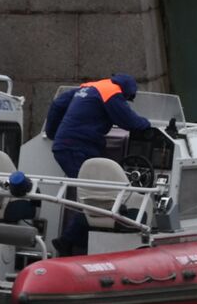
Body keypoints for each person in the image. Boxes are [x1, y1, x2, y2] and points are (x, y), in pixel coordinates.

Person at [43, 75, 151, 256]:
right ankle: (67, 241)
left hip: (69, 147)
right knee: (94, 198)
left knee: (93, 196)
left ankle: (73, 242)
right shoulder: (112, 94)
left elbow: (57, 105)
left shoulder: (90, 87)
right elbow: (130, 122)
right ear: (127, 92)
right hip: (76, 149)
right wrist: (147, 125)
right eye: (127, 99)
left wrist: (52, 133)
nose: (125, 102)